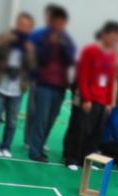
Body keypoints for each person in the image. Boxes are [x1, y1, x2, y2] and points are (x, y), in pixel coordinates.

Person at [63, 21, 118, 170]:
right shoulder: (90, 50)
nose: (116, 41)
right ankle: (71, 158)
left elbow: (110, 80)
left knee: (95, 133)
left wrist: (109, 102)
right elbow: (83, 75)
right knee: (79, 129)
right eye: (114, 37)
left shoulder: (112, 56)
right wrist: (86, 98)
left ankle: (87, 160)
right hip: (88, 99)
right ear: (105, 35)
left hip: (102, 101)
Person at [27, 5, 76, 163]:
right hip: (43, 84)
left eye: (62, 23)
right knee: (41, 118)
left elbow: (70, 59)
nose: (59, 26)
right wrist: (49, 44)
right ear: (51, 21)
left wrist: (61, 45)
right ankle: (34, 151)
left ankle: (40, 146)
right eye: (57, 22)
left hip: (60, 86)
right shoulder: (40, 36)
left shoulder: (66, 39)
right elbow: (39, 59)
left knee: (51, 119)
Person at [0, 12, 36, 158]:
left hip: (17, 88)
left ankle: (6, 146)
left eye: (26, 26)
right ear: (16, 24)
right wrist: (6, 43)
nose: (23, 28)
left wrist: (29, 52)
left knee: (12, 121)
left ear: (30, 28)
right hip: (0, 83)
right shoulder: (5, 37)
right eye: (21, 24)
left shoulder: (31, 45)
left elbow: (33, 66)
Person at [23, 3, 58, 148]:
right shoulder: (37, 35)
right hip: (37, 78)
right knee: (33, 110)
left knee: (47, 113)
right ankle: (28, 139)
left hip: (52, 82)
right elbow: (29, 54)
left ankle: (41, 140)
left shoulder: (61, 38)